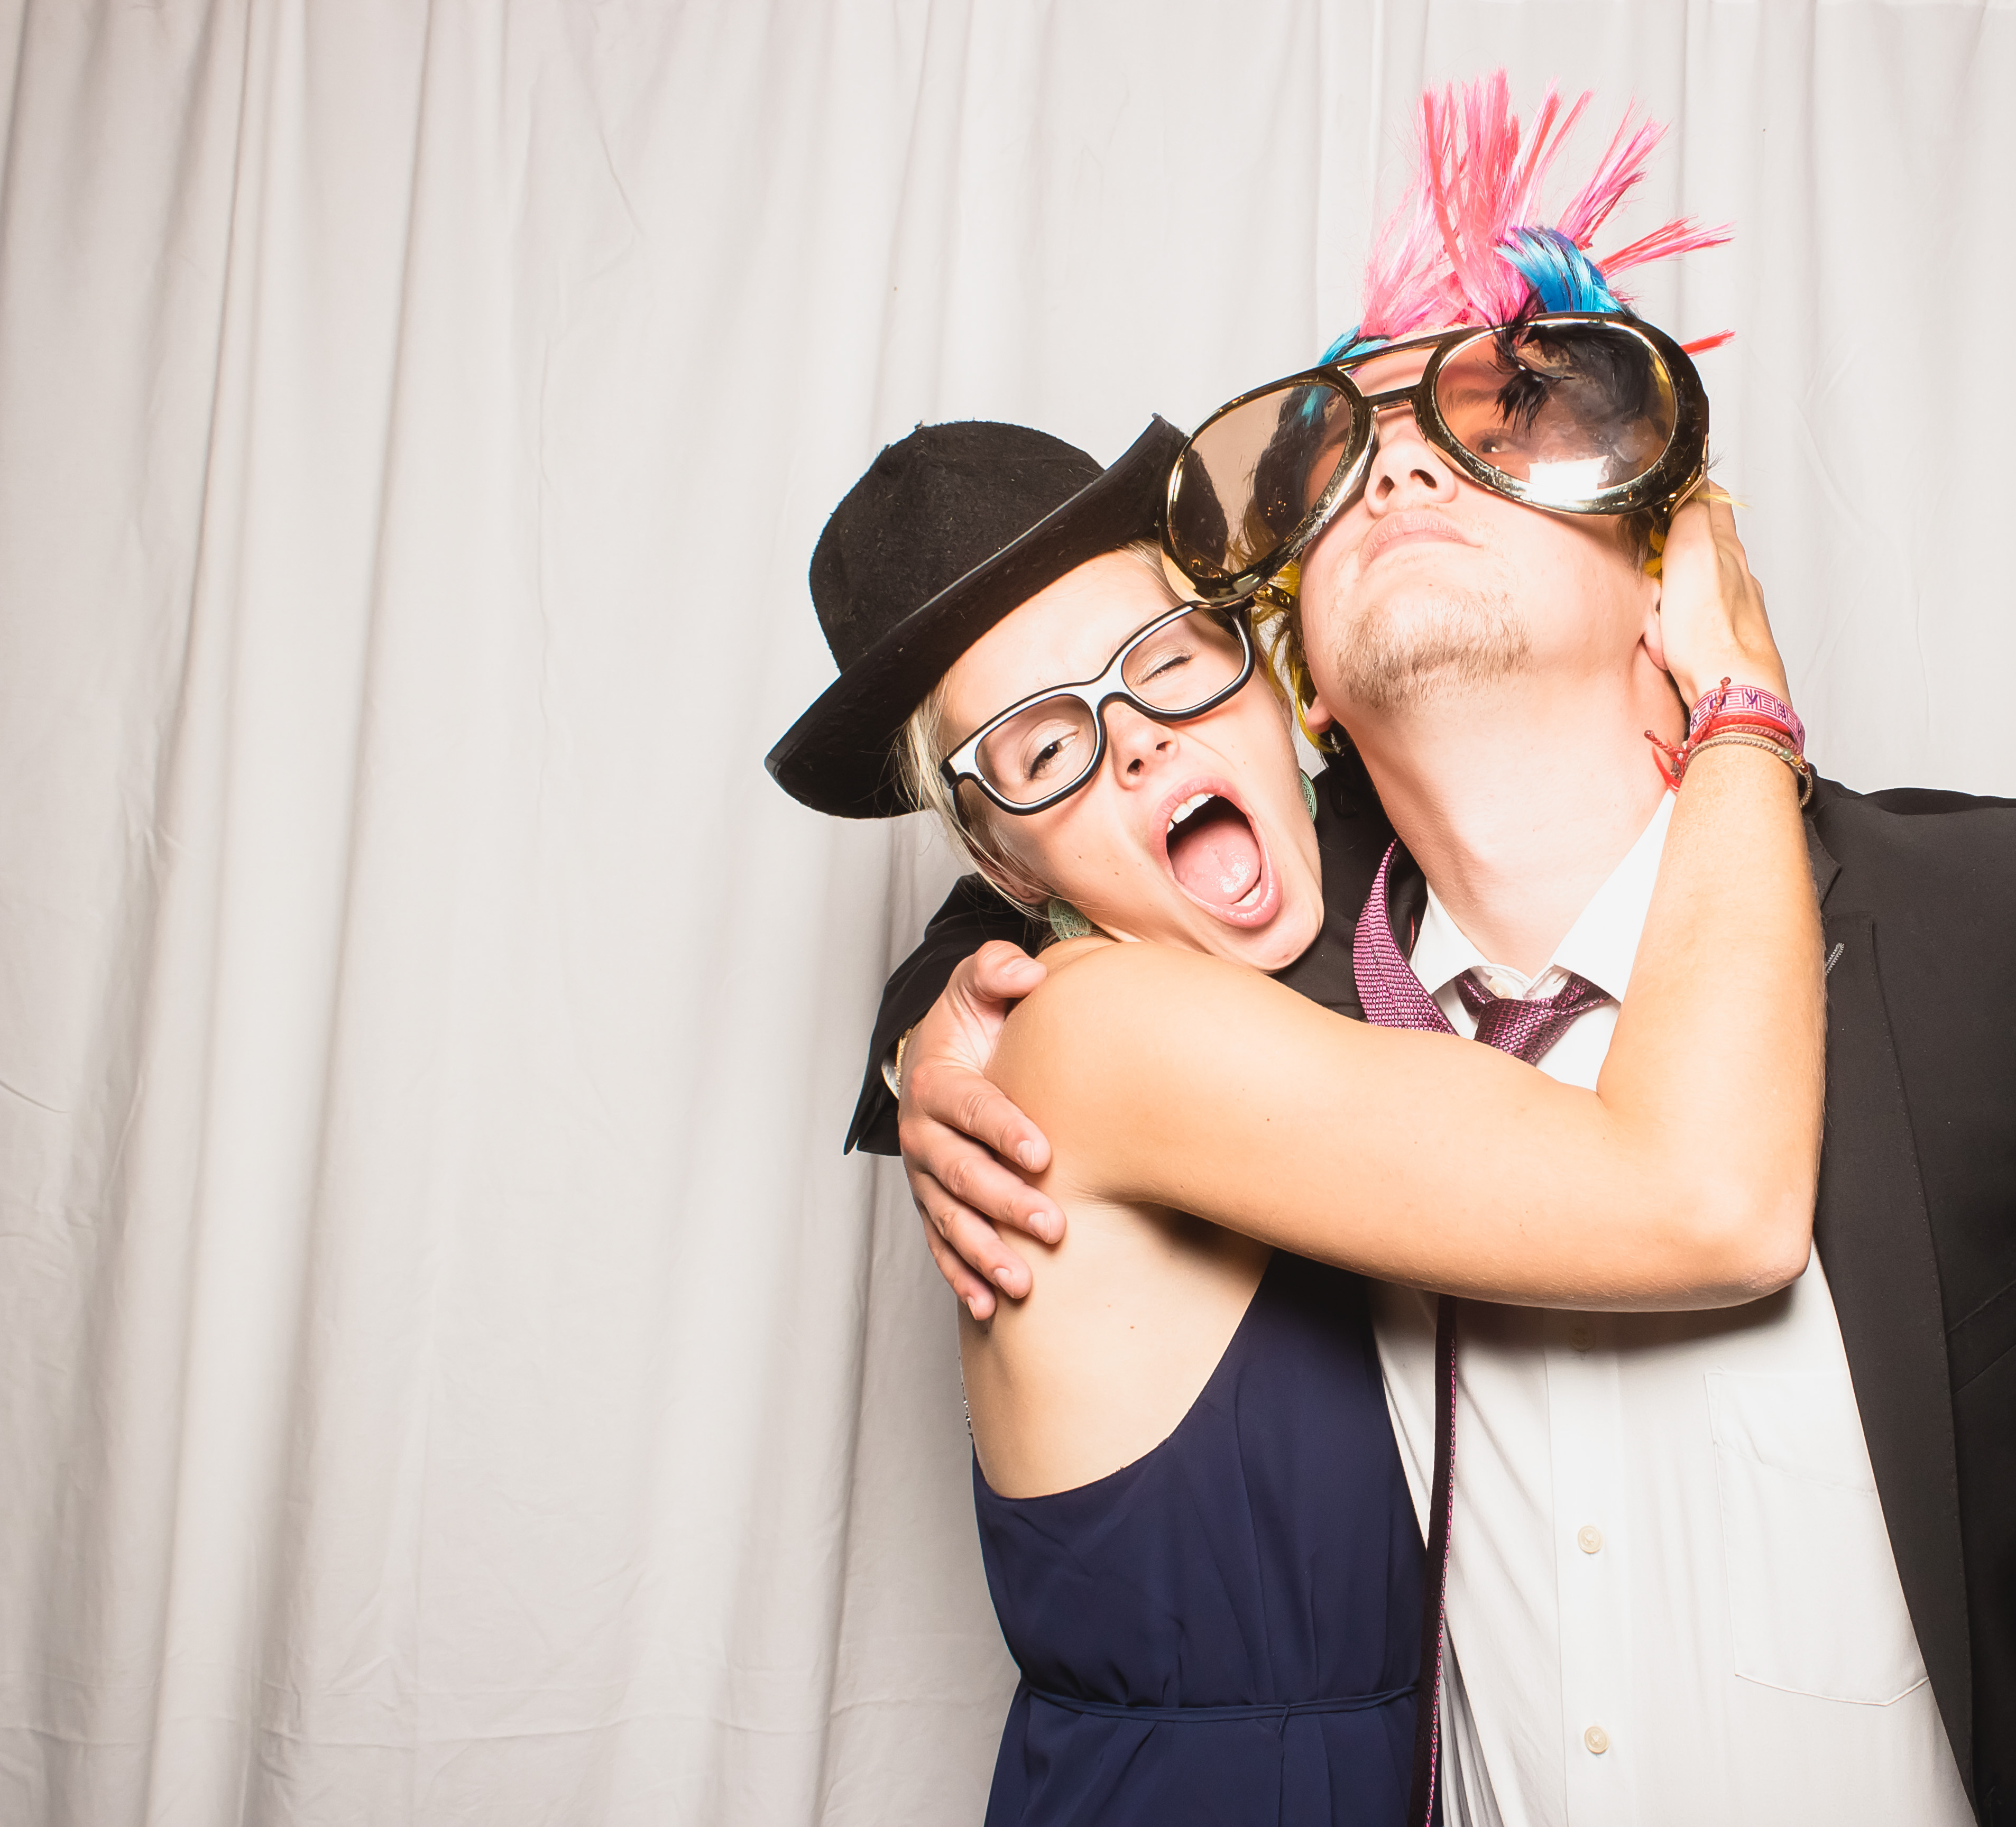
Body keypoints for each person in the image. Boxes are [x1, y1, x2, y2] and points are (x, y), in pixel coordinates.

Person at [870, 78, 2016, 1826]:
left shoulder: (2005, 930)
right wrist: (933, 1028)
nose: (1406, 474)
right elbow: (1075, 827)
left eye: (1503, 427)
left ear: (1671, 567)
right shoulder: (1250, 975)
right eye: (1348, 461)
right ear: (1309, 703)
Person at [765, 411, 1827, 1824]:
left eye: (1166, 662)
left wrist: (918, 1037)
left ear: (1271, 678)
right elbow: (1711, 1205)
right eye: (1040, 747)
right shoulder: (1101, 1031)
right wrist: (1741, 701)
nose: (1136, 743)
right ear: (997, 858)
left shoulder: (1345, 903)